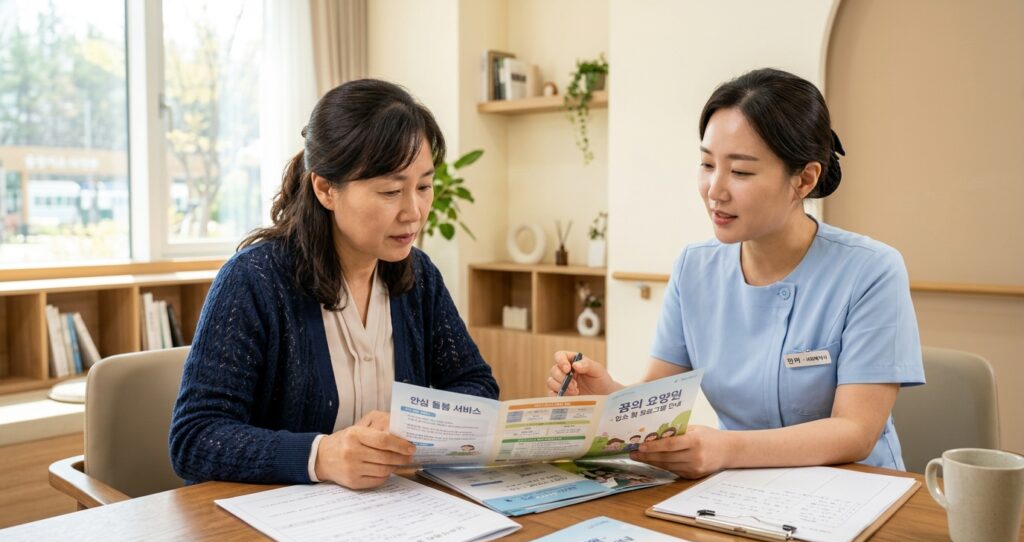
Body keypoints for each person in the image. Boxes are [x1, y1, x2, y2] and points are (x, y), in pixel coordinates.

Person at [546, 68, 924, 478]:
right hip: (738, 492)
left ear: (804, 179)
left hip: (855, 488)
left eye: (741, 171)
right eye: (707, 164)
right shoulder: (695, 267)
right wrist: (610, 395)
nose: (715, 189)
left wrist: (725, 448)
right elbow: (659, 400)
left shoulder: (870, 270)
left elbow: (855, 432)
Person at [170, 79, 498, 490]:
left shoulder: (419, 277)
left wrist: (415, 422)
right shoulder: (254, 281)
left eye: (424, 187)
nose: (414, 212)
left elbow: (478, 390)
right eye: (391, 191)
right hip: (277, 528)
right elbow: (195, 438)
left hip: (389, 516)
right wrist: (321, 456)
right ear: (325, 188)